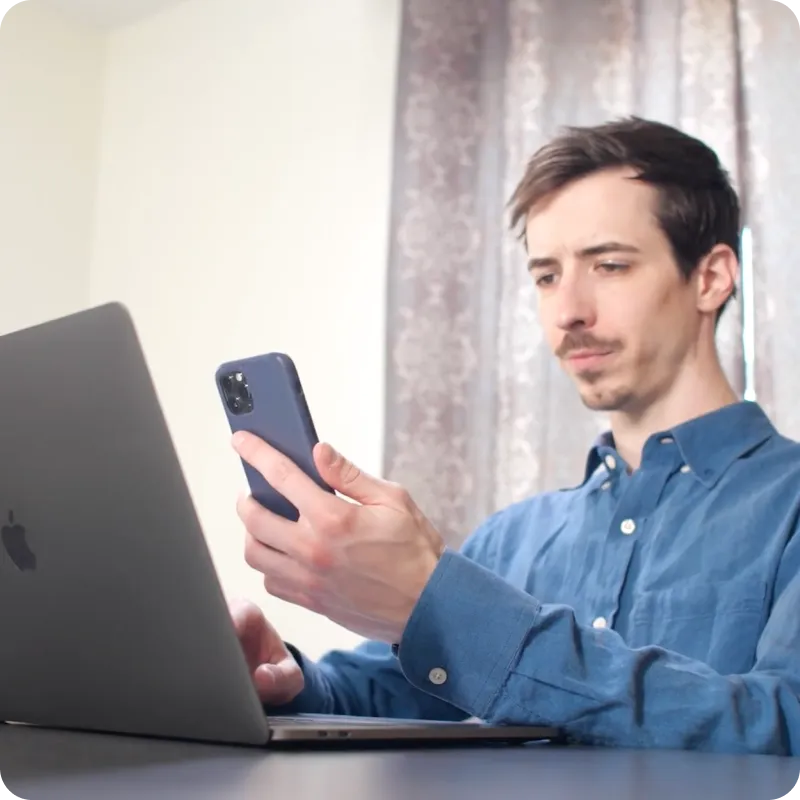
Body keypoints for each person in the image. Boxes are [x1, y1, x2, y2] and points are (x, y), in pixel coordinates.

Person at [226, 117, 800, 755]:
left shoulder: (790, 506)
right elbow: (397, 690)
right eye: (547, 276)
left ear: (711, 278)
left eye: (608, 265)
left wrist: (460, 615)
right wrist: (287, 679)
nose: (567, 311)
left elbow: (785, 724)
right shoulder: (513, 538)